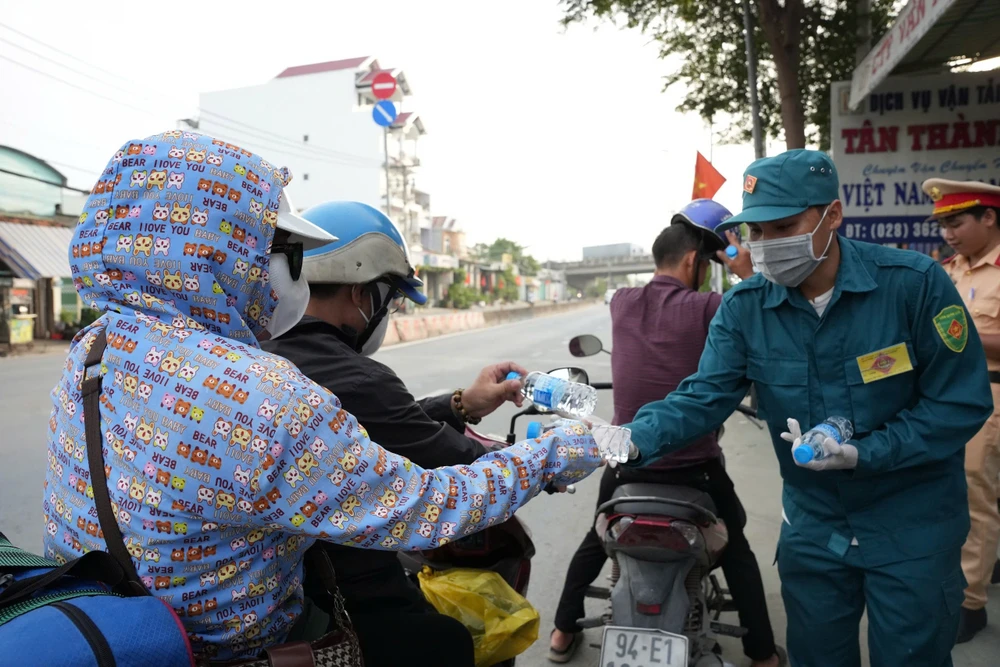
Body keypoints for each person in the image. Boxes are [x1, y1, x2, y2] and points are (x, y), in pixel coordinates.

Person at [43, 131, 604, 662]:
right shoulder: (265, 395)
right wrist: (554, 454)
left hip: (110, 628)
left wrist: (457, 405)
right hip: (245, 649)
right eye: (284, 252)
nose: (292, 276)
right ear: (221, 251)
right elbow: (427, 507)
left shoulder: (94, 349)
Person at [604, 149, 992, 666]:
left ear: (833, 215)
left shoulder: (912, 285)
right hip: (816, 529)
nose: (766, 245)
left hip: (911, 524)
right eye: (756, 232)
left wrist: (866, 452)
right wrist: (628, 438)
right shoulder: (745, 309)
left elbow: (959, 403)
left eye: (783, 227)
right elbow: (702, 396)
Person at [261, 200, 530, 665]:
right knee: (448, 641)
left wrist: (460, 404)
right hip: (340, 589)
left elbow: (366, 425)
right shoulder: (361, 377)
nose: (389, 312)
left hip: (279, 582)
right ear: (360, 293)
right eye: (391, 299)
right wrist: (548, 458)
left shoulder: (257, 352)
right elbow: (461, 467)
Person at [548, 200, 783, 666]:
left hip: (627, 465)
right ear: (695, 261)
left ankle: (560, 631)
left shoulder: (621, 302)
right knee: (737, 548)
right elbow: (766, 311)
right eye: (707, 263)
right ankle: (761, 655)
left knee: (595, 539)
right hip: (695, 472)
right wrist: (742, 271)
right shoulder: (711, 307)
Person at [928, 178, 1000, 642]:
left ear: (988, 217)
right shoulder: (948, 271)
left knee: (977, 497)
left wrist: (959, 335)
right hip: (953, 395)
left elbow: (955, 333)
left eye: (956, 222)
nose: (948, 234)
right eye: (943, 225)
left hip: (991, 393)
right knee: (964, 495)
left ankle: (970, 604)